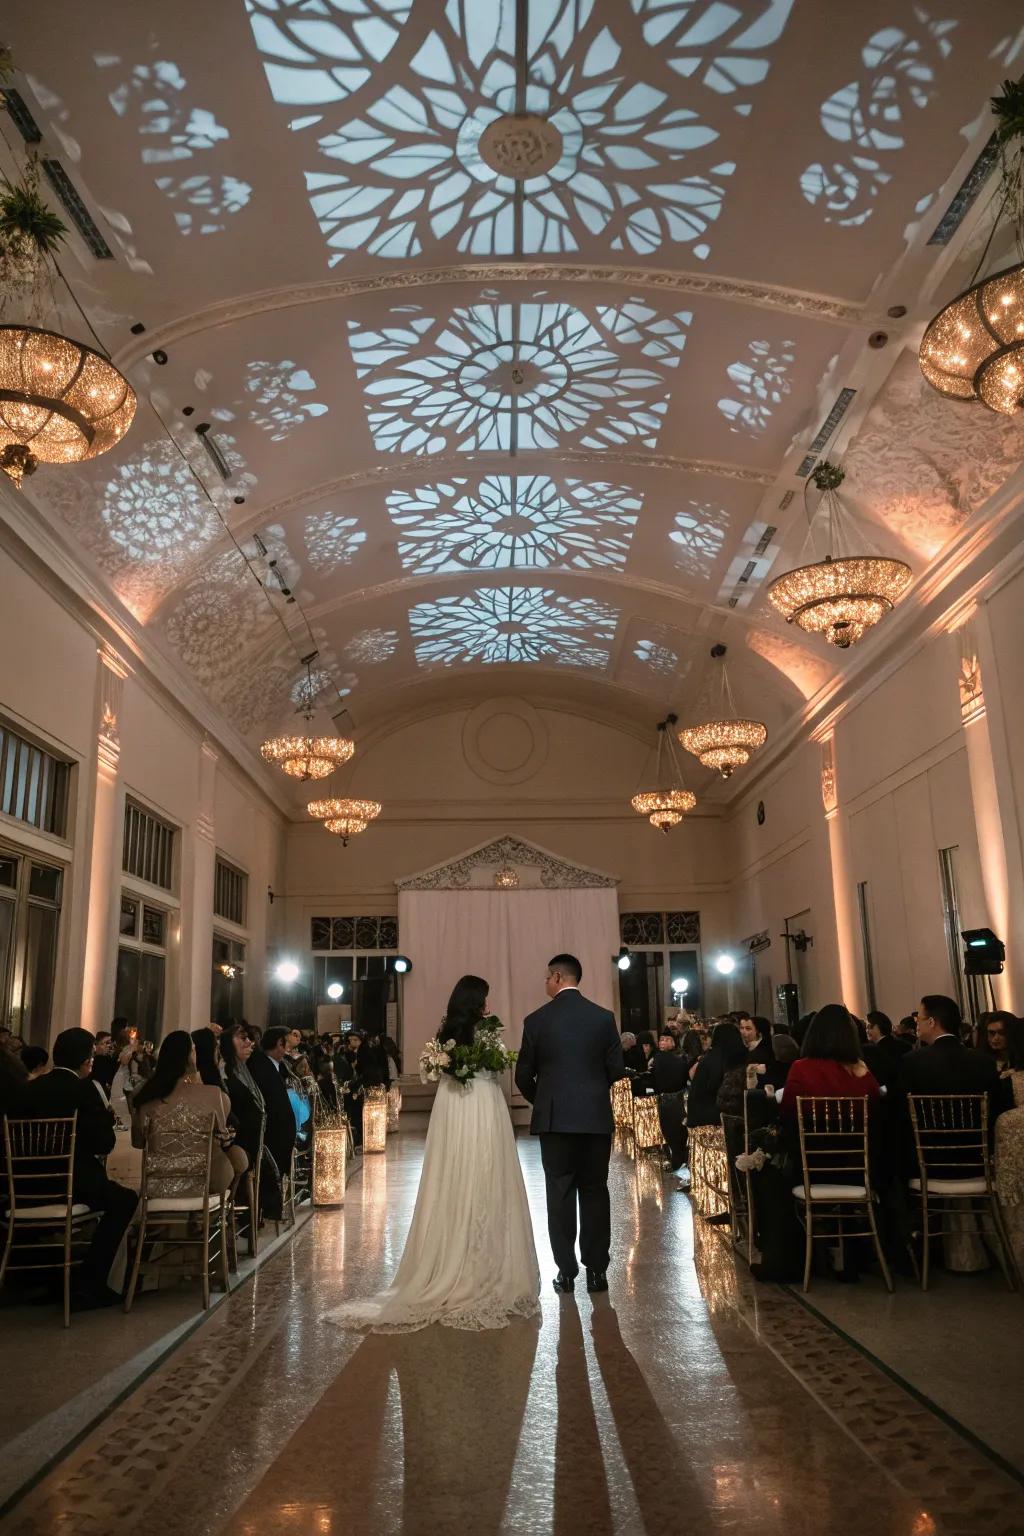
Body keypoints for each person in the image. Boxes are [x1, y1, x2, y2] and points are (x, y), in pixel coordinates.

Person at [326, 974, 539, 1331]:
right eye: (485, 997)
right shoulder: (484, 1033)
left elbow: (441, 1067)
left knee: (460, 1173)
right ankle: (476, 1267)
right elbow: (498, 1063)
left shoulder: (447, 1033)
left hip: (456, 1106)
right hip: (479, 1105)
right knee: (480, 1171)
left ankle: (456, 1258)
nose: (490, 1004)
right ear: (476, 1001)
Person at [515, 953, 625, 1295]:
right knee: (595, 1191)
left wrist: (545, 1102)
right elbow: (617, 1071)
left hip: (555, 1120)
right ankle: (597, 1272)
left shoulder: (536, 1021)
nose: (545, 983)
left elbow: (522, 1076)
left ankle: (566, 1272)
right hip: (595, 1118)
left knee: (560, 1193)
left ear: (558, 976)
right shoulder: (603, 1018)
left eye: (547, 978)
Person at [15, 1027, 137, 1309]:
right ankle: (90, 1282)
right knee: (125, 1199)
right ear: (87, 1062)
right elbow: (104, 1144)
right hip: (72, 1185)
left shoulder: (26, 1090)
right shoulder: (83, 1090)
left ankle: (43, 1279)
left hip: (22, 1187)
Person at [132, 1031, 247, 1195]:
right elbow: (223, 1139)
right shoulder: (213, 1094)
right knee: (238, 1160)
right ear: (189, 1057)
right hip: (203, 1185)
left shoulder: (145, 1097)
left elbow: (138, 1143)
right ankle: (226, 1215)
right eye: (193, 1049)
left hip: (157, 1187)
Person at [900, 995, 1006, 1157]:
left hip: (928, 1161)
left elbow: (901, 1115)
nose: (917, 1024)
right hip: (976, 1158)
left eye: (918, 1019)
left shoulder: (911, 1062)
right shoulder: (984, 1061)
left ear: (931, 1022)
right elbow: (997, 1111)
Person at [780, 1004, 881, 1121]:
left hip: (812, 1137)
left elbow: (788, 1112)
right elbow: (875, 1107)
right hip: (858, 1137)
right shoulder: (860, 1069)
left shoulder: (801, 1068)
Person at [247, 1028, 298, 1187]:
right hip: (273, 1137)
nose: (288, 1050)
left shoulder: (277, 1066)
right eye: (286, 1044)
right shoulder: (262, 1067)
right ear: (278, 1044)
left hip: (280, 1136)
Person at [651, 1030, 688, 1171]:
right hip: (667, 1097)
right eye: (661, 1040)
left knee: (675, 1130)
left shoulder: (679, 1056)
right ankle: (676, 1158)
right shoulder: (659, 1057)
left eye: (667, 1040)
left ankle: (677, 1159)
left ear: (673, 1042)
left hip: (676, 1097)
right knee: (670, 1130)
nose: (663, 1042)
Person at [863, 1010, 908, 1088]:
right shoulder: (904, 1044)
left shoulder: (875, 1050)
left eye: (869, 1027)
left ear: (877, 1027)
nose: (866, 1031)